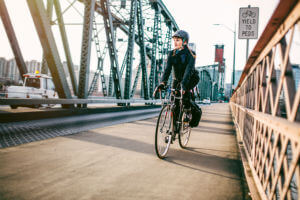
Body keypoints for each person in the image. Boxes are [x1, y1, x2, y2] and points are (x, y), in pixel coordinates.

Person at [154, 30, 199, 130]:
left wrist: (184, 85)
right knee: (174, 101)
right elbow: (167, 69)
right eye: (174, 40)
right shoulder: (172, 54)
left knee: (185, 97)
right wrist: (163, 82)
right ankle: (175, 128)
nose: (175, 42)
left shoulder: (191, 54)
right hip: (177, 79)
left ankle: (188, 112)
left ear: (185, 42)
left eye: (178, 40)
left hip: (191, 78)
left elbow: (189, 70)